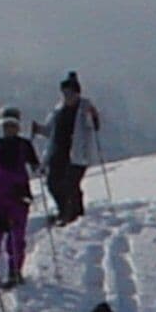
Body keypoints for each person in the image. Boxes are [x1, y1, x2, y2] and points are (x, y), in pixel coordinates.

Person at [0, 112, 40, 288]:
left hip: (14, 197)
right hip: (2, 196)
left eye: (11, 126)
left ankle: (14, 271)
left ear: (17, 127)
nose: (8, 129)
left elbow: (35, 165)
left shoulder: (20, 145)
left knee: (16, 237)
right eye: (6, 126)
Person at [44, 74, 102, 226]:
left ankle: (71, 214)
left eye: (69, 93)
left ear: (77, 93)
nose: (66, 96)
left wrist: (94, 117)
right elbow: (50, 130)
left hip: (78, 155)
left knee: (70, 184)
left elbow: (94, 126)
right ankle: (65, 211)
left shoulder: (85, 109)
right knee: (52, 183)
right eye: (64, 93)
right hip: (59, 153)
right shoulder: (59, 110)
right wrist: (38, 129)